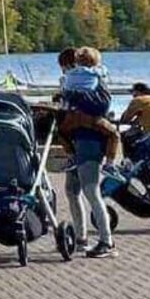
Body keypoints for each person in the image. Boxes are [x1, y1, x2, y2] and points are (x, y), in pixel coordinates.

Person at [61, 46, 118, 259]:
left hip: (90, 141)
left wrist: (73, 97)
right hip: (77, 141)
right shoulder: (80, 81)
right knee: (72, 191)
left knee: (91, 191)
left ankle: (106, 241)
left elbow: (101, 105)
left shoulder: (95, 85)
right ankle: (81, 237)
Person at [119, 82, 150, 153]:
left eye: (133, 92)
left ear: (138, 92)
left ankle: (129, 161)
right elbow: (147, 117)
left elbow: (125, 120)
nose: (132, 95)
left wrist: (128, 109)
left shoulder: (138, 100)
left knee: (126, 137)